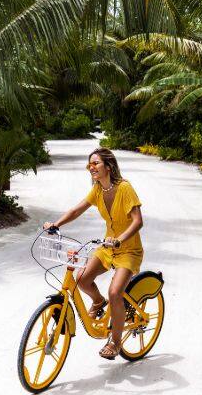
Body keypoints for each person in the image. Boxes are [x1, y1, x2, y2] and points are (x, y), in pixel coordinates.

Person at [43, 147, 144, 360]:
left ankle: (115, 342)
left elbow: (137, 221)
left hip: (128, 250)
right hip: (108, 248)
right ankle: (98, 302)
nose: (91, 167)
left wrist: (119, 240)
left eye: (95, 163)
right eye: (90, 164)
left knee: (115, 293)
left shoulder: (124, 188)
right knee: (81, 278)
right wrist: (56, 223)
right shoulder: (98, 189)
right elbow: (77, 210)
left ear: (108, 166)